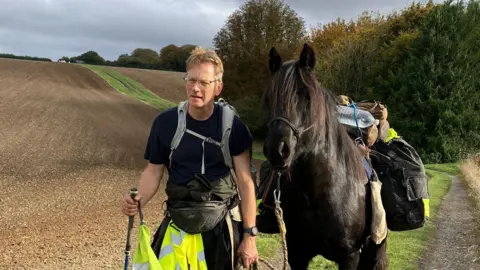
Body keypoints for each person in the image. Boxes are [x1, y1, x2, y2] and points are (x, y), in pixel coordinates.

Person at [121, 47, 258, 269]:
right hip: (178, 222)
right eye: (191, 80)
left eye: (203, 82)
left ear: (218, 86)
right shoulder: (165, 123)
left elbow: (245, 183)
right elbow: (153, 171)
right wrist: (139, 200)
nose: (195, 88)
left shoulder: (233, 127)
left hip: (221, 230)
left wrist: (249, 238)